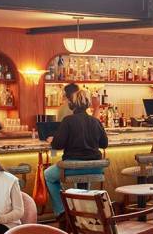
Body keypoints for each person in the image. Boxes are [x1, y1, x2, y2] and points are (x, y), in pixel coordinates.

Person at [44, 89, 108, 217]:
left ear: (71, 105)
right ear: (88, 105)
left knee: (48, 175)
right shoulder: (95, 121)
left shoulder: (68, 120)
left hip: (73, 167)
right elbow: (104, 144)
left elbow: (58, 145)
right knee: (84, 173)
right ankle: (84, 212)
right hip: (95, 168)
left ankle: (62, 211)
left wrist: (53, 140)